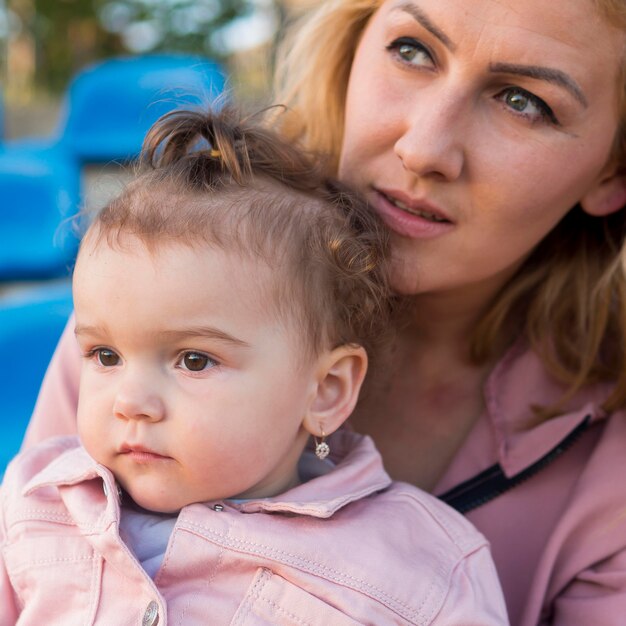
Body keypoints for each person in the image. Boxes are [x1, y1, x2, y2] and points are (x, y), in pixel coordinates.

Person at [19, 0, 626, 624]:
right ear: (350, 51)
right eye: (412, 50)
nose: (424, 149)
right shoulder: (153, 305)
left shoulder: (612, 476)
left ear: (614, 169)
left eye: (524, 101)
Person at [0, 107, 508, 625]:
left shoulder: (420, 572)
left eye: (194, 360)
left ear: (326, 391)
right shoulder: (36, 504)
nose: (131, 402)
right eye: (105, 356)